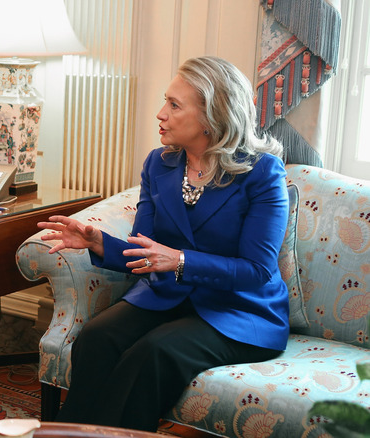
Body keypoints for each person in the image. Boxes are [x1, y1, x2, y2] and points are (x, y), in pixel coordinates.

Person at [37, 56, 289, 431]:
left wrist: (181, 261)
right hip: (169, 296)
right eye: (165, 102)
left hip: (239, 311)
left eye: (174, 105)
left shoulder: (262, 173)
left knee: (152, 353)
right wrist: (97, 242)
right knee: (97, 337)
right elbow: (147, 254)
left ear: (211, 116)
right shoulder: (159, 164)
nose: (160, 114)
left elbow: (256, 272)